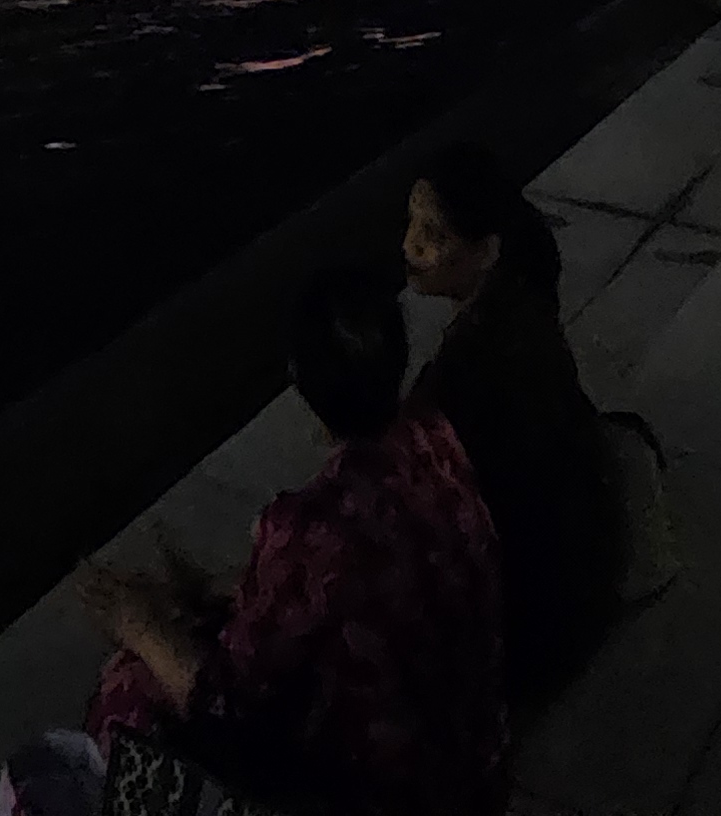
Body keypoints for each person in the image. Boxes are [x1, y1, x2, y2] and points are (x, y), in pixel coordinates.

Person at [48, 263, 508, 816]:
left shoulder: (314, 526)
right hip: (474, 757)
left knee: (130, 687)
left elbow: (227, 701)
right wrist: (221, 592)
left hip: (390, 794)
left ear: (300, 378)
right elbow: (345, 597)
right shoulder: (431, 439)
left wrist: (137, 623)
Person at [401, 142, 622, 707]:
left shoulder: (461, 378)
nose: (411, 246)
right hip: (585, 583)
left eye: (434, 235)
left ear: (487, 250)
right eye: (412, 224)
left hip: (528, 633)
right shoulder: (526, 309)